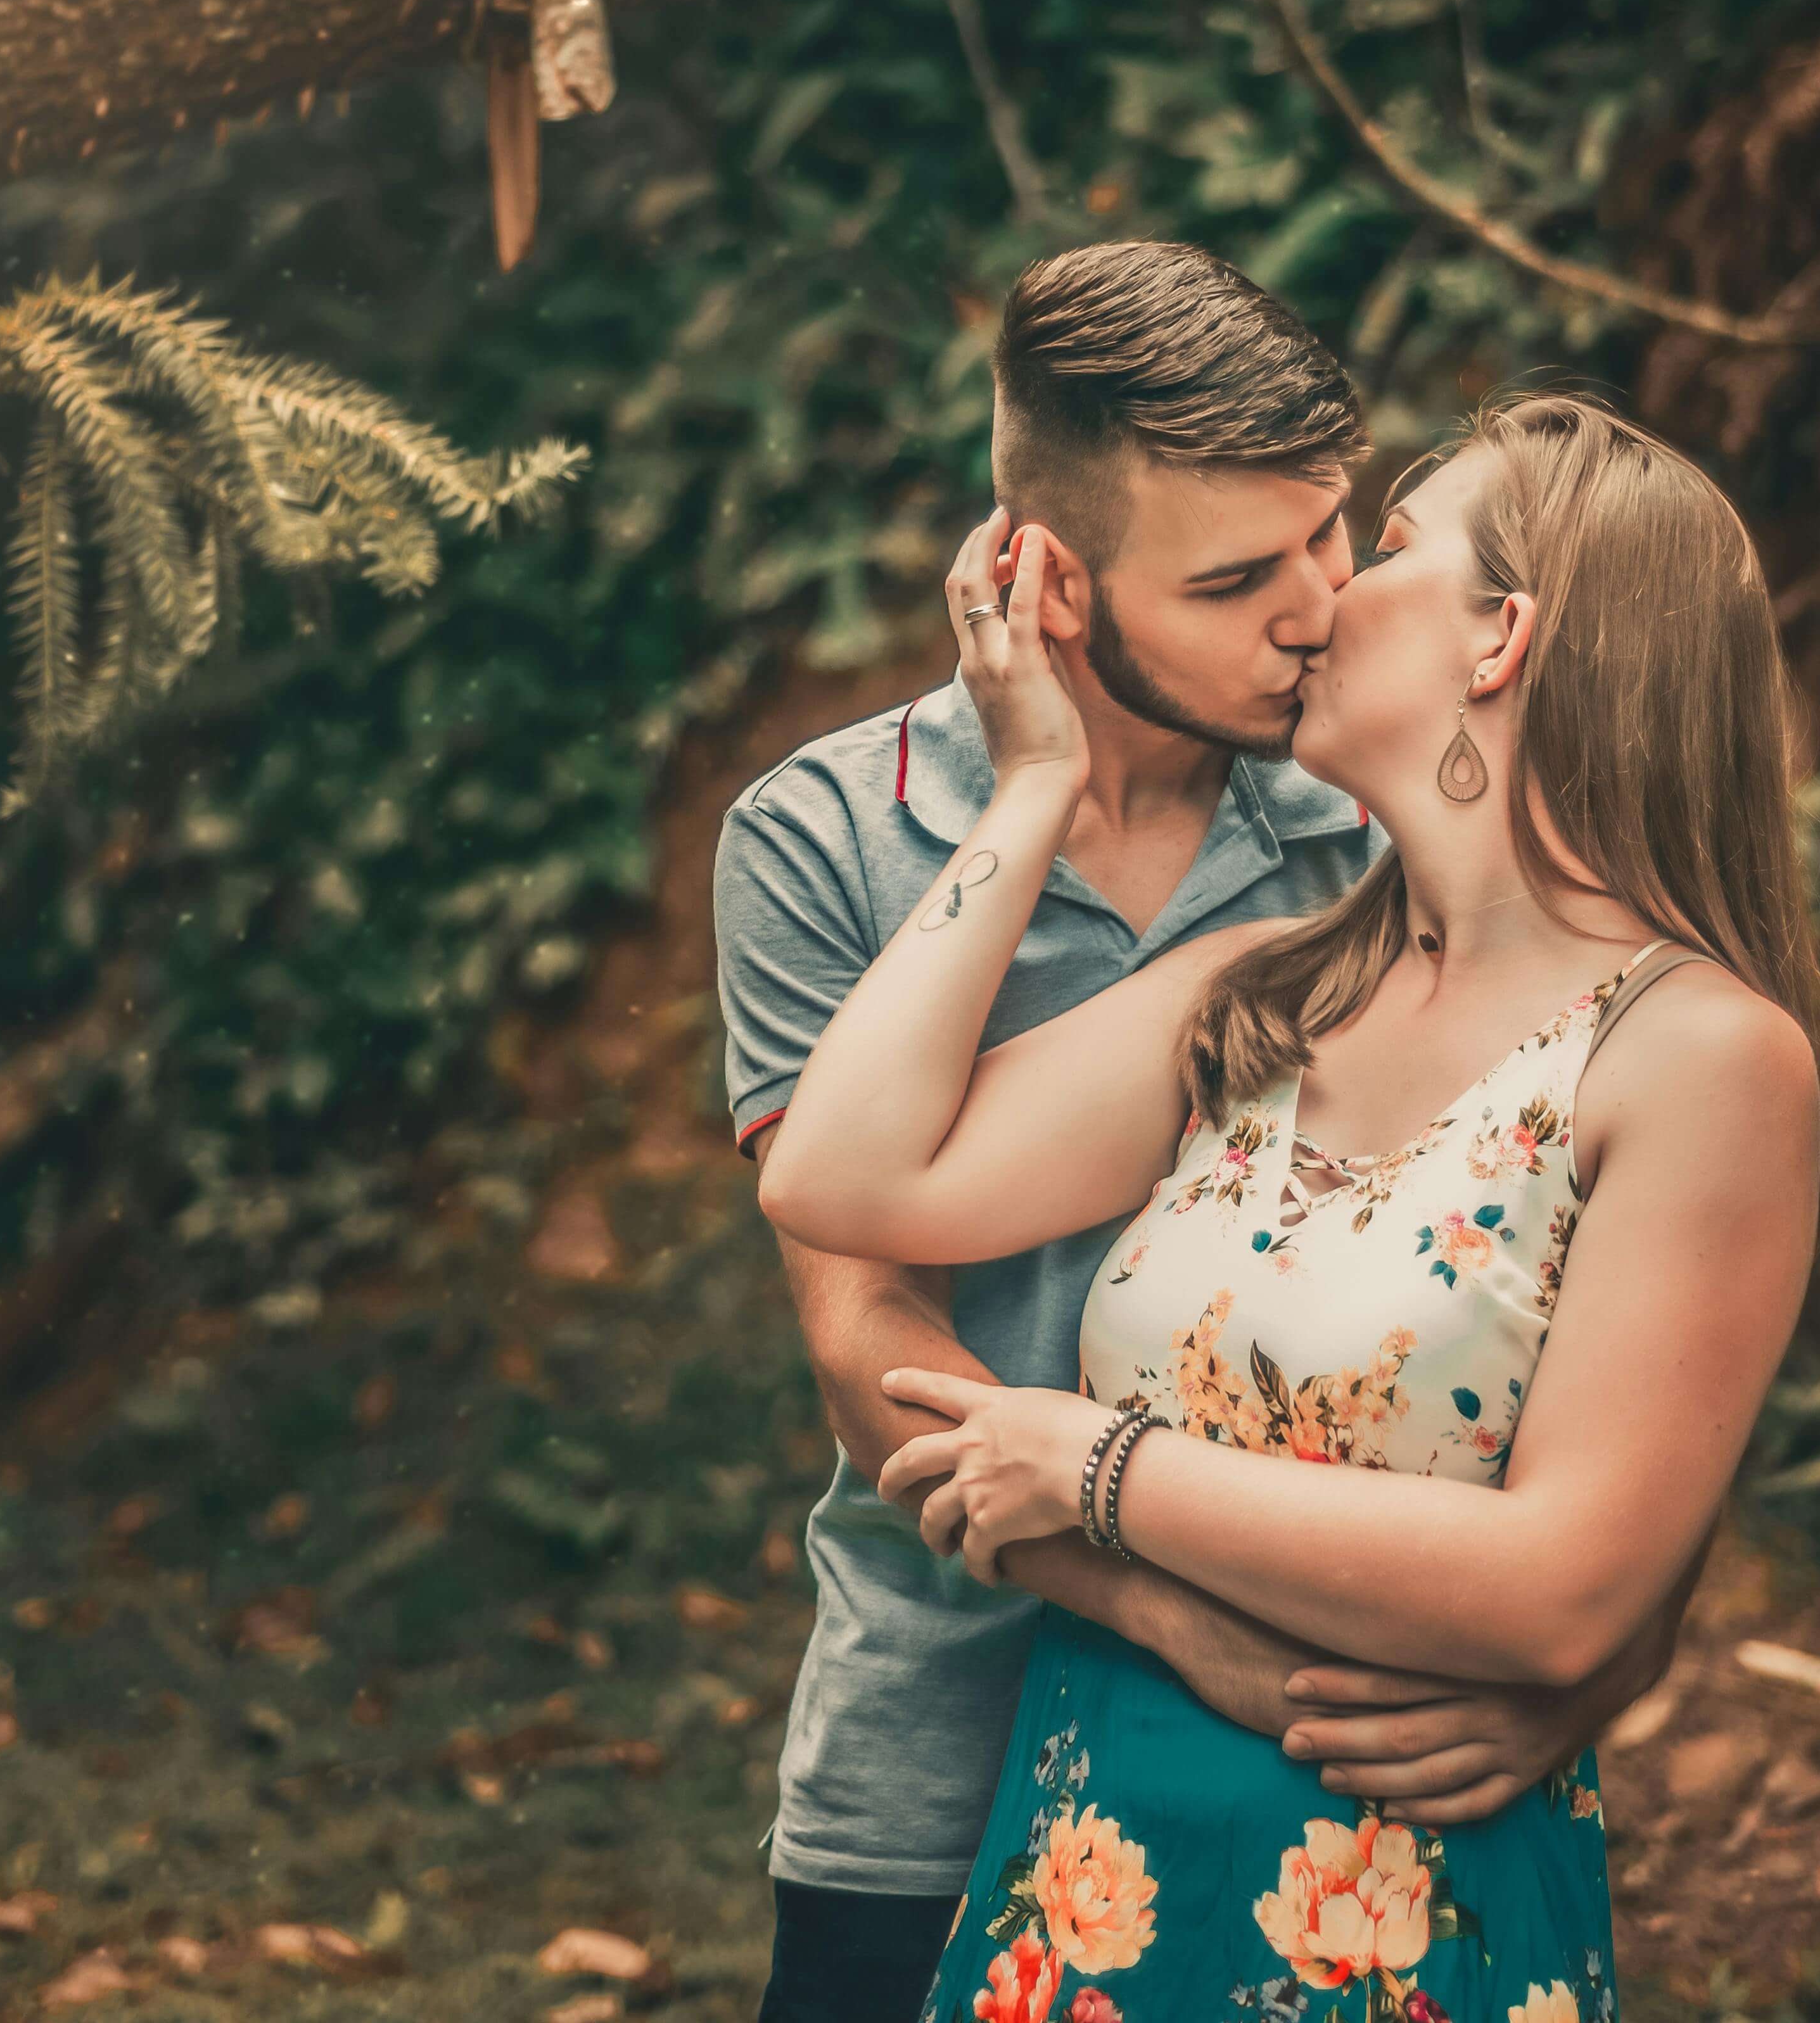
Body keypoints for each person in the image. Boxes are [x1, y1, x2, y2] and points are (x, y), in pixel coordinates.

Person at [714, 246, 1708, 2023]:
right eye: (1244, 577)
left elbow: (1631, 1337)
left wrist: (1584, 1659)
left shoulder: (1373, 836)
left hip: (1342, 1739)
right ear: (1057, 589)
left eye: (1340, 539)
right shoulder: (824, 843)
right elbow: (869, 1340)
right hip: (943, 1737)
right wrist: (1176, 1621)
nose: (1319, 608)